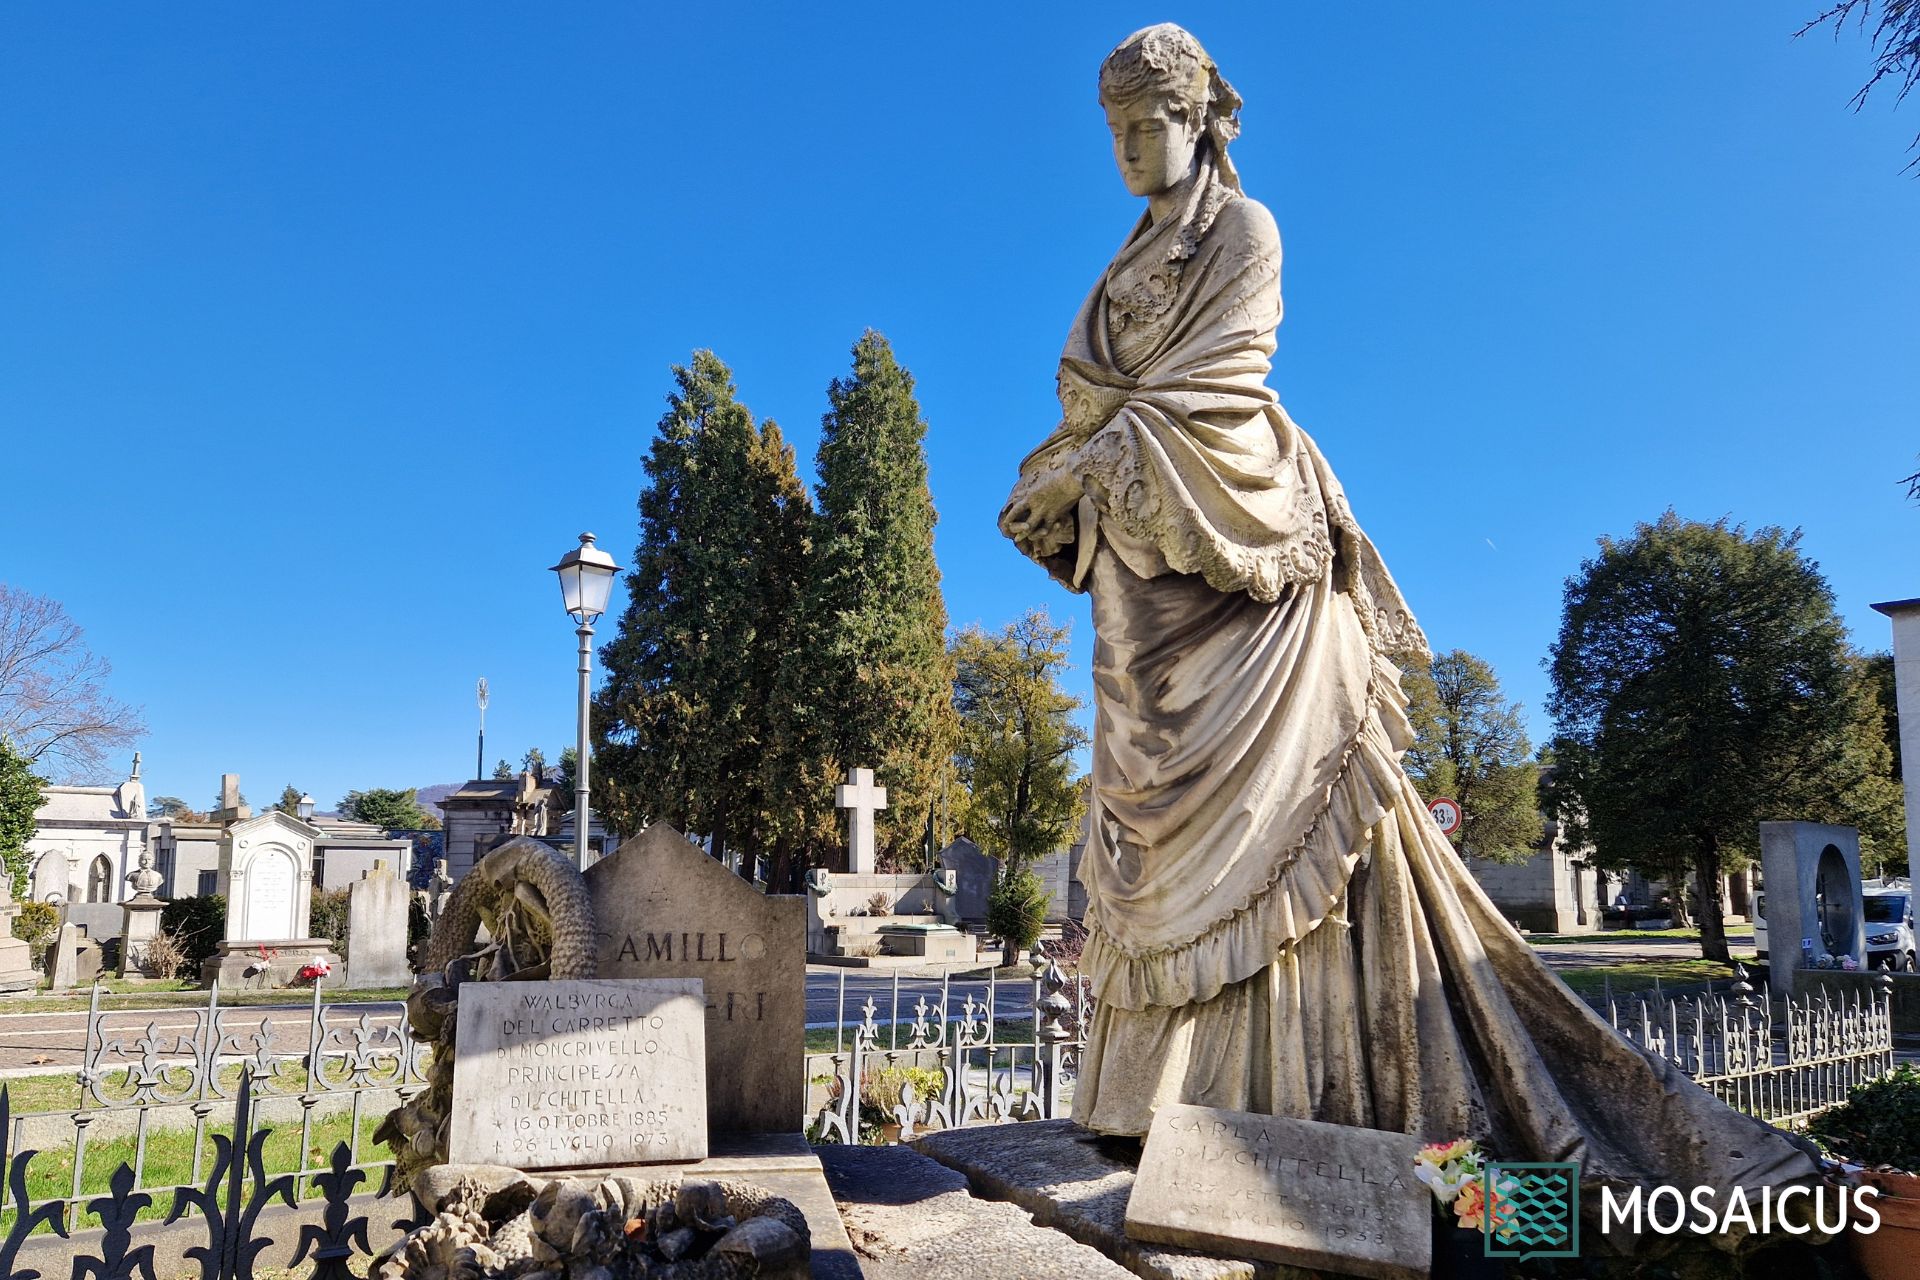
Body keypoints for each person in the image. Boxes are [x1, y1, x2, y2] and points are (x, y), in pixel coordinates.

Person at [1001, 22, 1817, 1198]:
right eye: (1114, 132)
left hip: (1237, 544)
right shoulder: (1117, 267)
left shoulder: (1246, 229)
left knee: (1280, 825)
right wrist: (1069, 458)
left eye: (1148, 126)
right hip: (1142, 572)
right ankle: (1147, 1101)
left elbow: (1221, 374)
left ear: (1196, 121)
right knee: (1152, 830)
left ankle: (1332, 1135)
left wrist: (1101, 449)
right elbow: (1087, 386)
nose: (1128, 148)